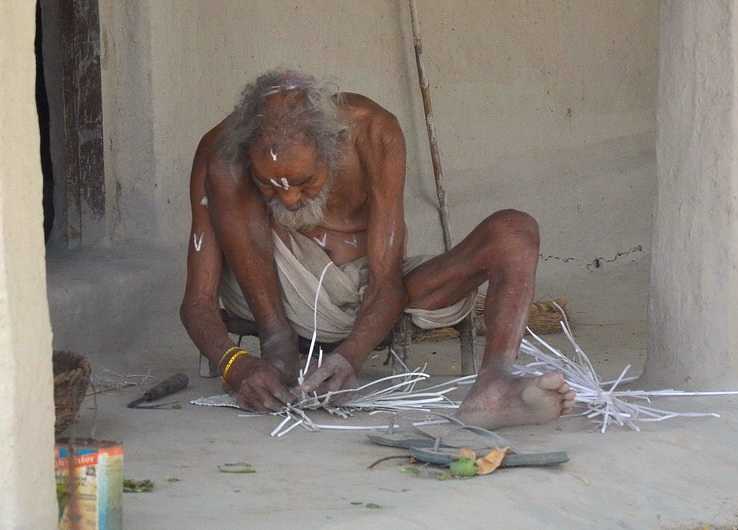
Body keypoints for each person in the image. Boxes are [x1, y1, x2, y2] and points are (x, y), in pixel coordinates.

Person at [180, 69, 575, 429]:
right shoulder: (222, 148)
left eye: (305, 182)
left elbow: (387, 283)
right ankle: (278, 342)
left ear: (333, 148)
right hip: (279, 293)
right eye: (268, 186)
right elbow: (197, 302)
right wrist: (235, 365)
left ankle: (494, 386)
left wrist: (349, 356)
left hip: (374, 292)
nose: (288, 199)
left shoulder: (372, 132)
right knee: (224, 166)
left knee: (514, 231)